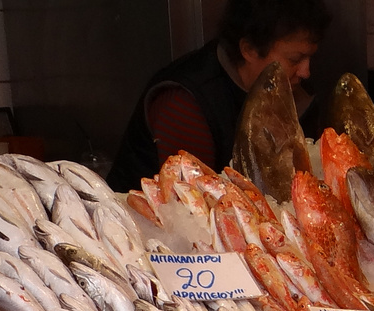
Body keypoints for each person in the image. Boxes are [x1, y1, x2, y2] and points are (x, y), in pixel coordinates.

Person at [108, 0, 330, 191]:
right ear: (249, 50)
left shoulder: (297, 91)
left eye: (310, 58)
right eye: (294, 59)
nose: (306, 71)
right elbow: (193, 204)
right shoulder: (184, 101)